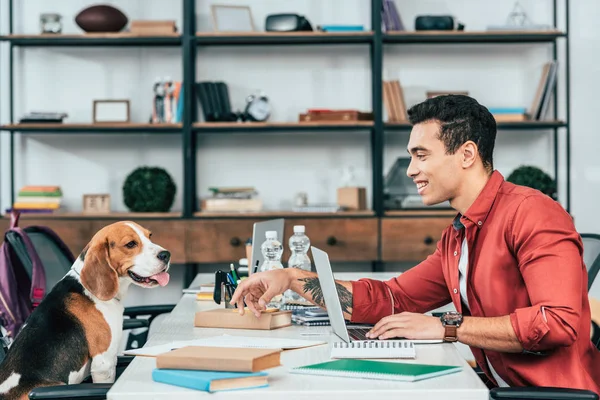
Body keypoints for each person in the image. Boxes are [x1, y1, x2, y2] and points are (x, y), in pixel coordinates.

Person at [230, 95, 600, 392]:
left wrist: (446, 327)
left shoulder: (533, 213)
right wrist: (291, 278)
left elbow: (557, 322)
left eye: (421, 155)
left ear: (467, 154)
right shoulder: (459, 234)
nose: (410, 170)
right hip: (494, 387)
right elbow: (393, 299)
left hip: (550, 395)